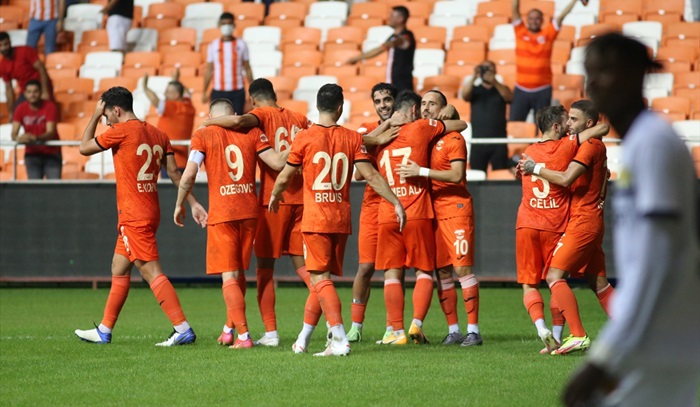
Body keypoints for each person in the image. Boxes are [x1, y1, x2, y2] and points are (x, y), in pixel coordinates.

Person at [564, 33, 700, 407]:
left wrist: (606, 359)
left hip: (658, 341)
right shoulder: (643, 140)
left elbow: (658, 262)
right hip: (654, 337)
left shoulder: (653, 143)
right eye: (590, 73)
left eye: (606, 72)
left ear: (635, 75)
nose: (595, 83)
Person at [269, 83, 406, 356]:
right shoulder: (353, 138)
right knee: (323, 280)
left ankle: (339, 337)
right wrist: (396, 201)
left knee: (319, 279)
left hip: (316, 218)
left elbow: (285, 175)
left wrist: (274, 195)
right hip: (341, 219)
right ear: (340, 108)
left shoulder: (305, 138)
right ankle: (303, 338)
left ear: (317, 107)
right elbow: (371, 176)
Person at [74, 87, 207, 346]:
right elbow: (175, 174)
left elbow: (83, 148)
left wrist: (93, 116)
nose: (106, 121)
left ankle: (182, 328)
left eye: (106, 116)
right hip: (150, 210)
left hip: (133, 214)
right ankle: (104, 329)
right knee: (119, 266)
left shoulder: (121, 131)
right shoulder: (159, 133)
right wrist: (192, 203)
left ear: (116, 110)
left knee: (150, 271)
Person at [201, 78, 310, 347]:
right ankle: (329, 310)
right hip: (302, 198)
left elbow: (237, 123)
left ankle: (270, 333)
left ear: (252, 100)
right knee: (306, 267)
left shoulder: (258, 116)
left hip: (274, 199)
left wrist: (209, 122)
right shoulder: (301, 117)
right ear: (274, 94)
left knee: (263, 270)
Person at [174, 98, 288, 349]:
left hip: (223, 213)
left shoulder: (203, 134)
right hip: (249, 212)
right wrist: (297, 142)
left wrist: (181, 202)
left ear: (210, 115)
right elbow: (278, 163)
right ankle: (228, 329)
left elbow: (189, 173)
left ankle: (244, 336)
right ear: (233, 114)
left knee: (228, 276)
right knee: (237, 273)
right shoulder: (253, 132)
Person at [520, 100, 615, 354]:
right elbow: (604, 180)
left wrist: (535, 168)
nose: (568, 124)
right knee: (601, 285)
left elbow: (564, 179)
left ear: (588, 123)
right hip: (594, 220)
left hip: (582, 223)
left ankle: (579, 335)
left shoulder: (589, 146)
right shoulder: (596, 145)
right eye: (568, 119)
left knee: (554, 276)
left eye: (573, 119)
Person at [374, 91, 468, 346]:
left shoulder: (378, 139)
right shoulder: (421, 128)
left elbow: (363, 174)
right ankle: (416, 323)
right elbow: (461, 125)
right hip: (416, 211)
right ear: (414, 111)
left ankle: (395, 332)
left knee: (391, 274)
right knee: (424, 271)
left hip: (387, 212)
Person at [397, 90, 482, 347]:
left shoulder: (454, 138)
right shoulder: (426, 139)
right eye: (423, 103)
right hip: (433, 211)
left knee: (462, 269)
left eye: (432, 104)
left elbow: (457, 175)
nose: (425, 108)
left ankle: (474, 331)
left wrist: (421, 171)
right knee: (442, 272)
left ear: (443, 110)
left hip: (455, 209)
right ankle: (454, 330)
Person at [515, 105, 579, 353]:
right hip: (554, 225)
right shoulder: (566, 146)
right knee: (557, 281)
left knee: (529, 284)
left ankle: (540, 328)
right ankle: (557, 335)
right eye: (566, 122)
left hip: (526, 223)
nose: (569, 127)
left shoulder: (528, 151)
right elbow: (597, 131)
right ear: (555, 127)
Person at [346, 82, 398, 343]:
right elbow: (357, 172)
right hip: (371, 202)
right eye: (378, 101)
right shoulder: (368, 129)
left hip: (398, 200)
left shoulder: (408, 130)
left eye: (387, 99)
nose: (383, 105)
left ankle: (393, 327)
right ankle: (356, 326)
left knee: (393, 267)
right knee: (365, 266)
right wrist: (380, 137)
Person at [509, 0, 580, 122]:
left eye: (537, 18)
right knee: (515, 125)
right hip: (520, 89)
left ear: (542, 20)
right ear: (526, 20)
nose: (534, 21)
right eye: (531, 18)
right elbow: (514, 9)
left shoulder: (548, 33)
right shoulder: (520, 31)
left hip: (542, 90)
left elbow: (562, 15)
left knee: (544, 128)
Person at [346, 6, 416, 93]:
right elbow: (380, 49)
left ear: (400, 18)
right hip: (393, 83)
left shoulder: (407, 36)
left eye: (392, 16)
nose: (389, 18)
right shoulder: (392, 37)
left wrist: (356, 58)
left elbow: (401, 41)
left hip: (403, 84)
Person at [461, 61, 512, 172]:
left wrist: (494, 82)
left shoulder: (501, 89)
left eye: (490, 68)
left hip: (499, 141)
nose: (487, 71)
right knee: (477, 174)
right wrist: (474, 76)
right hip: (478, 141)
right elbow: (464, 95)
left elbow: (509, 98)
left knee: (500, 174)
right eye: (484, 68)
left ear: (495, 71)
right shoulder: (475, 90)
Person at [143, 69, 195, 173]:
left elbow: (155, 100)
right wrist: (176, 80)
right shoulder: (189, 106)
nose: (165, 94)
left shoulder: (171, 107)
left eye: (168, 92)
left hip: (169, 160)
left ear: (176, 95)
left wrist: (145, 87)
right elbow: (186, 93)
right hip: (183, 161)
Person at [202, 12, 254, 116]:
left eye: (229, 23)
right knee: (217, 122)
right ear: (219, 26)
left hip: (237, 91)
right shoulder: (213, 45)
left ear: (234, 25)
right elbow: (209, 69)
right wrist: (204, 91)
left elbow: (247, 68)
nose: (227, 26)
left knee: (237, 121)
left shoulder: (241, 44)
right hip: (218, 91)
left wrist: (252, 90)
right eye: (224, 24)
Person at [11, 80, 61, 180]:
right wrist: (20, 138)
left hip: (51, 153)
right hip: (32, 154)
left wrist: (35, 138)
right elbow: (13, 133)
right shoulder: (20, 108)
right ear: (24, 94)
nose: (32, 95)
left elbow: (50, 132)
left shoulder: (50, 107)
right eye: (29, 92)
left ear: (40, 92)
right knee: (34, 188)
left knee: (55, 188)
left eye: (35, 91)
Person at [0, 31, 52, 112]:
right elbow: (9, 89)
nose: (4, 48)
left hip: (40, 86)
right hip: (25, 91)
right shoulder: (2, 65)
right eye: (0, 45)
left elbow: (41, 68)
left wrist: (45, 92)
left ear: (10, 42)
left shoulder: (25, 51)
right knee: (17, 113)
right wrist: (11, 112)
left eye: (6, 44)